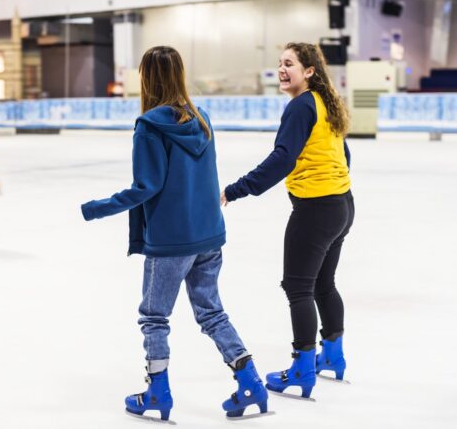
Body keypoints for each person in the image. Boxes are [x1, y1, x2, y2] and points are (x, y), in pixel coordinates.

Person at [81, 46, 270, 422]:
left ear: (146, 79)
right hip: (209, 234)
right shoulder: (202, 119)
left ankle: (158, 392)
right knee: (211, 312)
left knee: (154, 316)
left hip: (171, 241)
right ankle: (250, 381)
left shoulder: (149, 126)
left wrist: (96, 208)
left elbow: (145, 187)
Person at [221, 42, 354, 399]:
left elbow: (283, 159)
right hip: (342, 205)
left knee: (298, 288)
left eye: (290, 64)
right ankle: (333, 357)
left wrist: (235, 190)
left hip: (316, 209)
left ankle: (302, 369)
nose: (282, 69)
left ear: (309, 71)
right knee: (323, 284)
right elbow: (344, 155)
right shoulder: (325, 102)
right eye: (280, 63)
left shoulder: (300, 106)